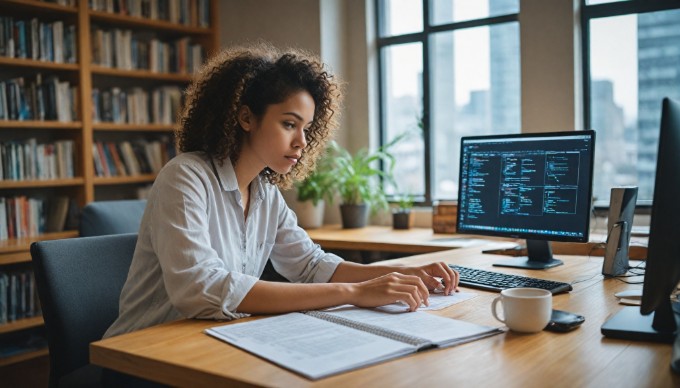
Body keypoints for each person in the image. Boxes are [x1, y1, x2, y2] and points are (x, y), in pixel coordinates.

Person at [104, 43, 459, 339]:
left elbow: (310, 265)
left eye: (306, 128)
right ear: (245, 118)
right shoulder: (185, 176)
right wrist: (355, 292)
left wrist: (396, 277)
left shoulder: (265, 193)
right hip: (142, 352)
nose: (302, 142)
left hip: (214, 341)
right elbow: (201, 290)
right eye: (289, 124)